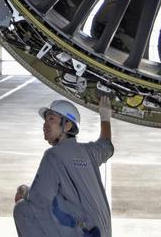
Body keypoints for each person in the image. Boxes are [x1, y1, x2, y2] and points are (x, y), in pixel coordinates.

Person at [13, 97, 114, 236]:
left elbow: (39, 199)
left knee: (22, 209)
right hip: (102, 232)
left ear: (67, 125)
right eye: (45, 120)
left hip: (85, 233)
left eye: (51, 119)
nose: (45, 124)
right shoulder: (89, 151)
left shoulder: (53, 155)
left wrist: (24, 190)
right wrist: (105, 116)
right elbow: (106, 145)